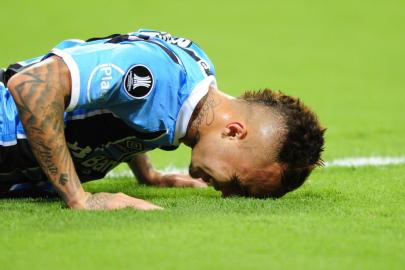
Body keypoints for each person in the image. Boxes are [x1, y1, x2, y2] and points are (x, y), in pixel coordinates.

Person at [0, 29, 325, 210]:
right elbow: (31, 86)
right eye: (236, 184)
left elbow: (123, 107)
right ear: (234, 131)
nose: (225, 194)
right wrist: (79, 198)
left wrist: (147, 173)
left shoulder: (193, 89)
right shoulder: (154, 73)